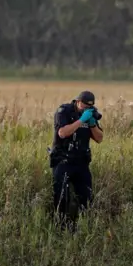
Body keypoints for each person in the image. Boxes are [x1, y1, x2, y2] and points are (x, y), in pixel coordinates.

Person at [49, 91, 104, 231]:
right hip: (63, 160)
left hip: (81, 162)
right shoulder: (64, 111)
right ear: (78, 102)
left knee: (86, 197)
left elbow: (99, 138)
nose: (87, 110)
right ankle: (60, 228)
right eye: (85, 106)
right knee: (62, 197)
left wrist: (92, 123)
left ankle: (82, 228)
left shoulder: (90, 114)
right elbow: (62, 133)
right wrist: (80, 121)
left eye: (89, 108)